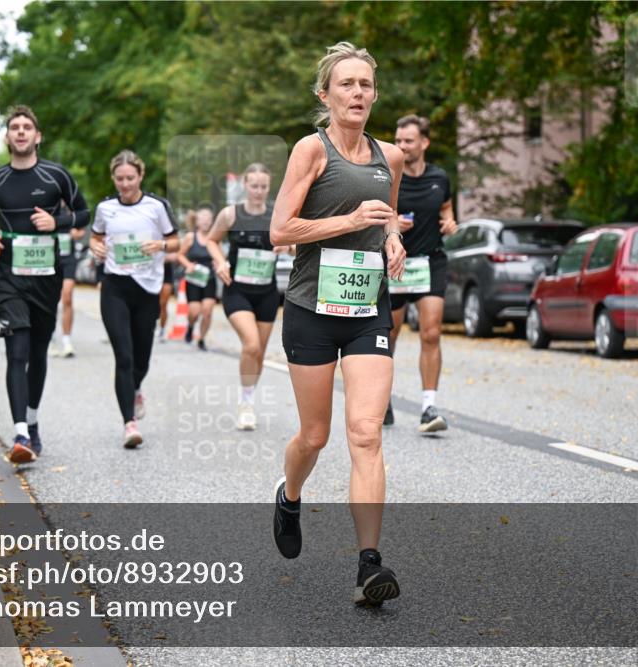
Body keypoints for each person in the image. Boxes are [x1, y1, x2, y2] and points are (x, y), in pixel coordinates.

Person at [269, 42, 406, 606]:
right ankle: (290, 494)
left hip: (367, 304)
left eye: (366, 85)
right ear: (325, 95)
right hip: (311, 308)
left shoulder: (390, 157)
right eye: (346, 84)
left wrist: (392, 237)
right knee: (316, 435)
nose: (358, 94)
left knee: (366, 433)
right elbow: (280, 230)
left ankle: (369, 566)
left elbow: (389, 213)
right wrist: (348, 219)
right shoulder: (311, 150)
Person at [0, 104, 89, 465]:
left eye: (27, 127)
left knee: (38, 353)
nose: (21, 132)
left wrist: (56, 221)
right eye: (14, 127)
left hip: (46, 277)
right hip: (9, 277)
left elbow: (84, 213)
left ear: (37, 136)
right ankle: (21, 433)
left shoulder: (57, 175)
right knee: (17, 352)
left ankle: (34, 422)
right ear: (8, 137)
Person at [89, 150, 179, 448]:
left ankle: (136, 387)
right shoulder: (105, 208)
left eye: (130, 178)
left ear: (140, 176)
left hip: (148, 290)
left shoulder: (156, 206)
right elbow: (95, 237)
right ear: (113, 179)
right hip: (114, 287)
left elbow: (177, 240)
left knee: (141, 358)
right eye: (119, 179)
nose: (125, 184)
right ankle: (130, 423)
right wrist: (96, 248)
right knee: (124, 356)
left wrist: (161, 244)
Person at [205, 164, 291, 431]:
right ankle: (245, 404)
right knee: (251, 345)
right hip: (237, 290)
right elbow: (211, 240)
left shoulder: (277, 215)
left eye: (263, 186)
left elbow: (298, 246)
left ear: (269, 186)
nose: (258, 191)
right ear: (245, 185)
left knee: (259, 353)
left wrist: (288, 246)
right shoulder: (231, 214)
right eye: (254, 186)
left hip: (266, 292)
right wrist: (220, 262)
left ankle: (248, 400)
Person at [388, 114, 457, 433]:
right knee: (389, 334)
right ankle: (380, 397)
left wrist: (450, 223)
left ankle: (429, 407)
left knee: (431, 333)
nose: (401, 145)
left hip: (430, 262)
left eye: (408, 141)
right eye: (398, 140)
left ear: (424, 143)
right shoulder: (389, 175)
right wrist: (392, 225)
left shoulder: (440, 178)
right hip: (396, 262)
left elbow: (446, 209)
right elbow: (374, 214)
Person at [177, 207, 217, 350]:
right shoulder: (190, 237)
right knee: (194, 311)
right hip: (193, 278)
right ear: (197, 221)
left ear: (212, 222)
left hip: (209, 279)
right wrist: (188, 264)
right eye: (203, 218)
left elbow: (221, 257)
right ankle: (191, 325)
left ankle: (201, 339)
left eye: (209, 219)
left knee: (207, 310)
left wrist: (218, 261)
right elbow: (179, 255)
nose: (206, 221)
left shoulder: (214, 238)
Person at [52, 204, 85, 357]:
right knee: (50, 301)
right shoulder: (48, 207)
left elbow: (81, 232)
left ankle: (66, 341)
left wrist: (75, 234)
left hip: (69, 258)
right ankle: (50, 338)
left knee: (67, 297)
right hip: (51, 259)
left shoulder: (72, 210)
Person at [156, 249, 178, 341]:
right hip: (152, 273)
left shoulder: (168, 238)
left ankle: (162, 329)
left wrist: (157, 258)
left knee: (163, 303)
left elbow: (175, 256)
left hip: (166, 274)